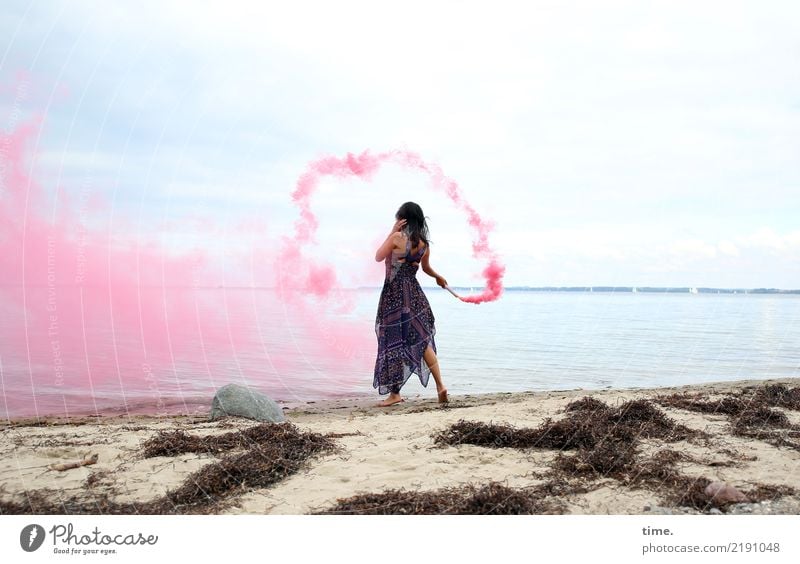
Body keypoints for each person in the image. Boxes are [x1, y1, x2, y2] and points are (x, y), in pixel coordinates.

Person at [373, 202, 448, 407]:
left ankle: (395, 393)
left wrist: (391, 232)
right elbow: (426, 268)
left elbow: (378, 256)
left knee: (392, 339)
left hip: (394, 295)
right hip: (414, 295)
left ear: (402, 219)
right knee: (421, 339)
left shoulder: (397, 238)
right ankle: (440, 385)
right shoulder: (424, 244)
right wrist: (438, 277)